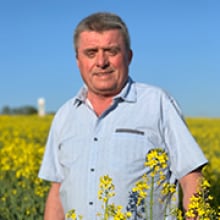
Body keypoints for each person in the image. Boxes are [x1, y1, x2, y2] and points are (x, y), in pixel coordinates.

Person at [38, 12, 208, 220]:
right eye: (91, 53)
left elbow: (191, 177)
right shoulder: (65, 115)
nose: (101, 62)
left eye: (111, 51)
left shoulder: (157, 103)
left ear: (128, 56)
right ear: (78, 61)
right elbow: (58, 190)